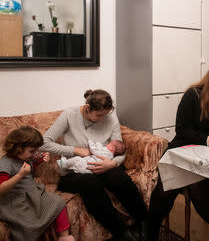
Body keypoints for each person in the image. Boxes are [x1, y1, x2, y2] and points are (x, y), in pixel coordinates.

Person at [148, 57, 209, 241]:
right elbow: (182, 129)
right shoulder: (193, 95)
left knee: (197, 188)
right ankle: (150, 233)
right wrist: (206, 139)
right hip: (182, 151)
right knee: (165, 191)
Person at [41, 89, 148, 241]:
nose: (103, 118)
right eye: (99, 115)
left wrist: (112, 163)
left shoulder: (110, 118)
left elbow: (119, 148)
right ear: (87, 108)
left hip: (103, 164)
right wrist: (75, 150)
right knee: (91, 185)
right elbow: (44, 143)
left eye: (105, 114)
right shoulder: (69, 115)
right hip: (74, 170)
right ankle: (121, 232)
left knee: (119, 178)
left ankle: (144, 221)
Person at [0, 126, 75, 241]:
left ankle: (64, 236)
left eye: (36, 150)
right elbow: (0, 189)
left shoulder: (27, 158)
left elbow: (37, 174)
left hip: (32, 194)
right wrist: (19, 175)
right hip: (15, 199)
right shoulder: (5, 164)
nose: (34, 153)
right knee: (28, 226)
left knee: (59, 202)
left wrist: (41, 163)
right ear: (18, 148)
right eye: (32, 151)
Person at [57, 139, 125, 174]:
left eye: (109, 144)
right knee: (76, 165)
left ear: (112, 148)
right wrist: (98, 143)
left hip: (86, 166)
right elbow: (100, 149)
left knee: (76, 159)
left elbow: (94, 151)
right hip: (89, 170)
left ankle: (64, 164)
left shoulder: (106, 152)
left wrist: (91, 142)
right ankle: (67, 168)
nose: (107, 145)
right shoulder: (109, 156)